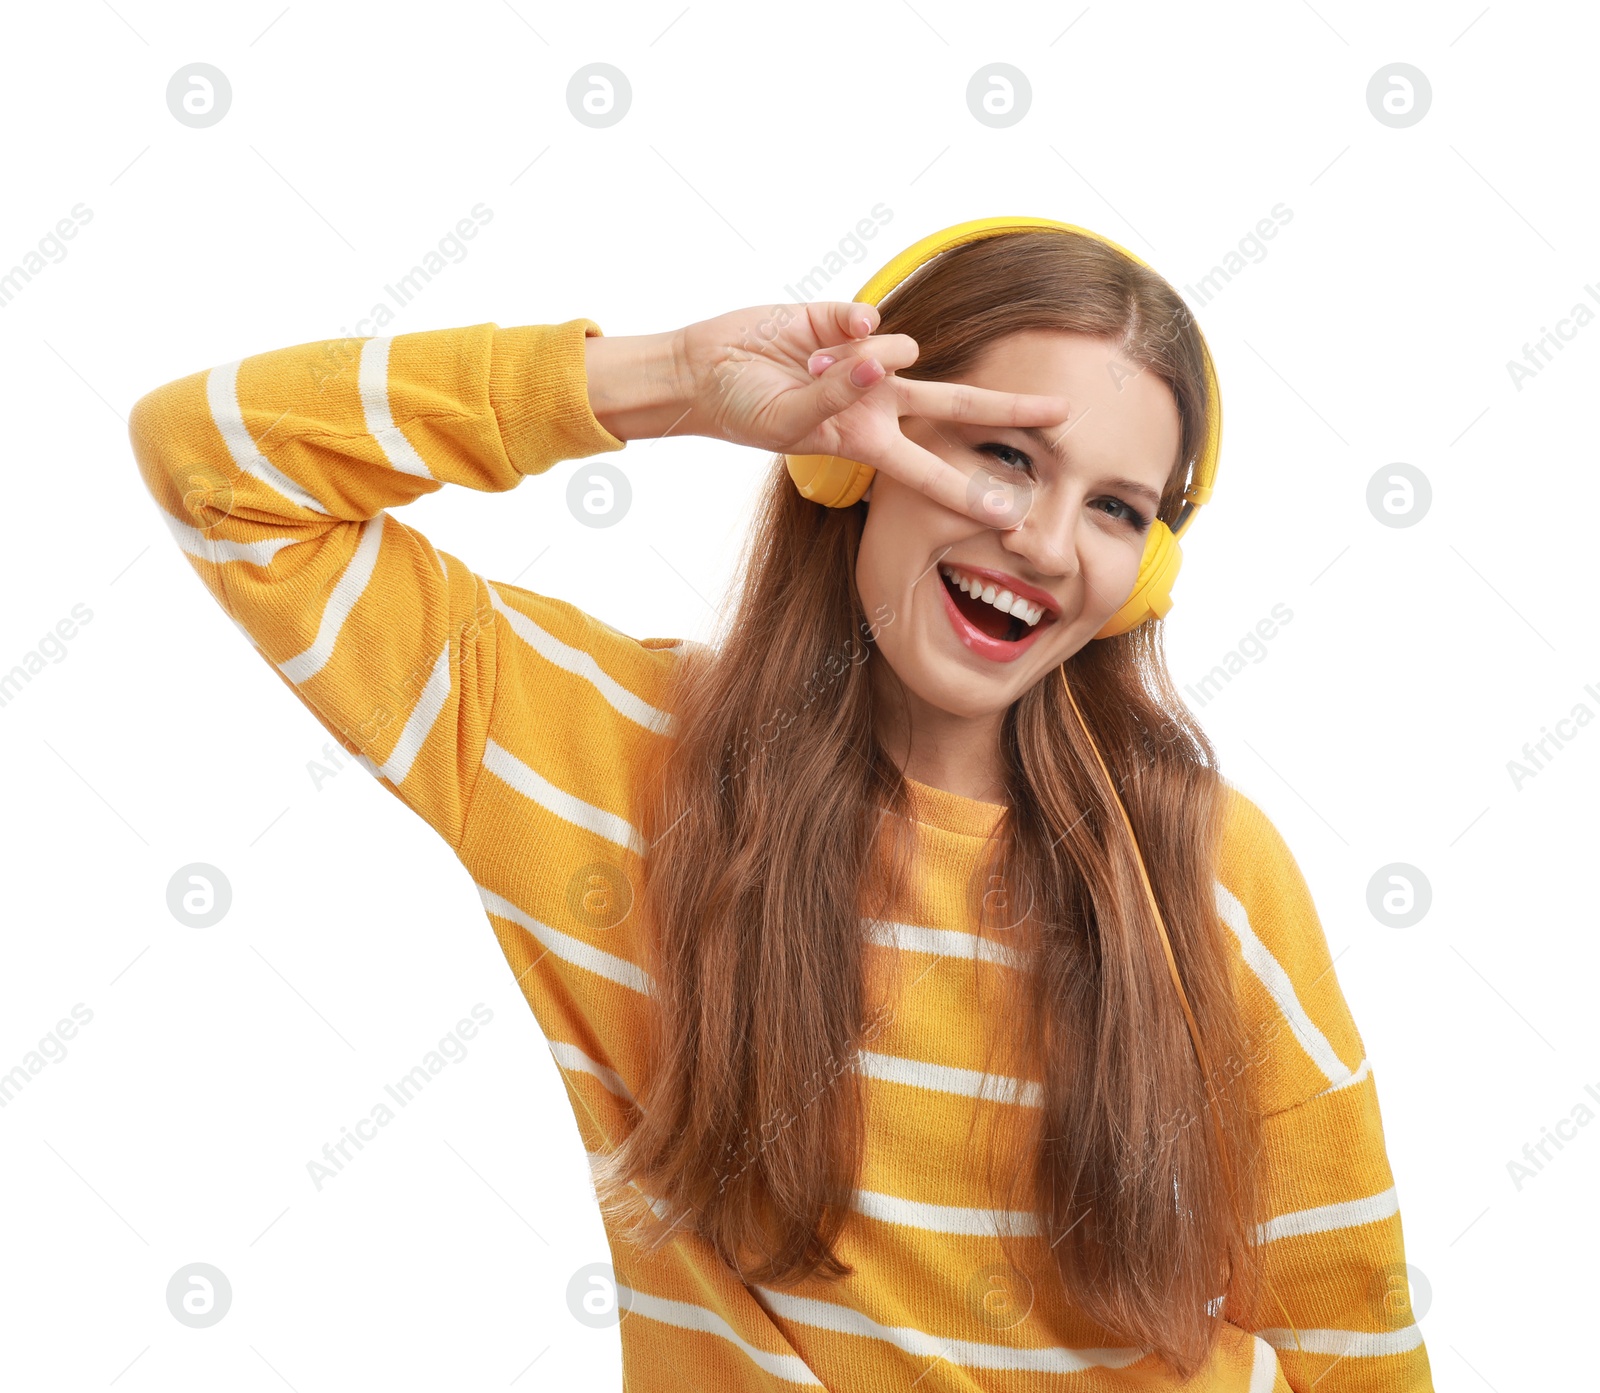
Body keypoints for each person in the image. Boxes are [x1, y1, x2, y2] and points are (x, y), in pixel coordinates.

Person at [127, 224, 1434, 1391]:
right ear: (844, 454)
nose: (1041, 538)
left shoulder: (1206, 871)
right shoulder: (607, 759)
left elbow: (1352, 1324)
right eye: (1001, 453)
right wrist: (670, 384)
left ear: (1143, 576)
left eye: (1112, 507)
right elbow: (214, 468)